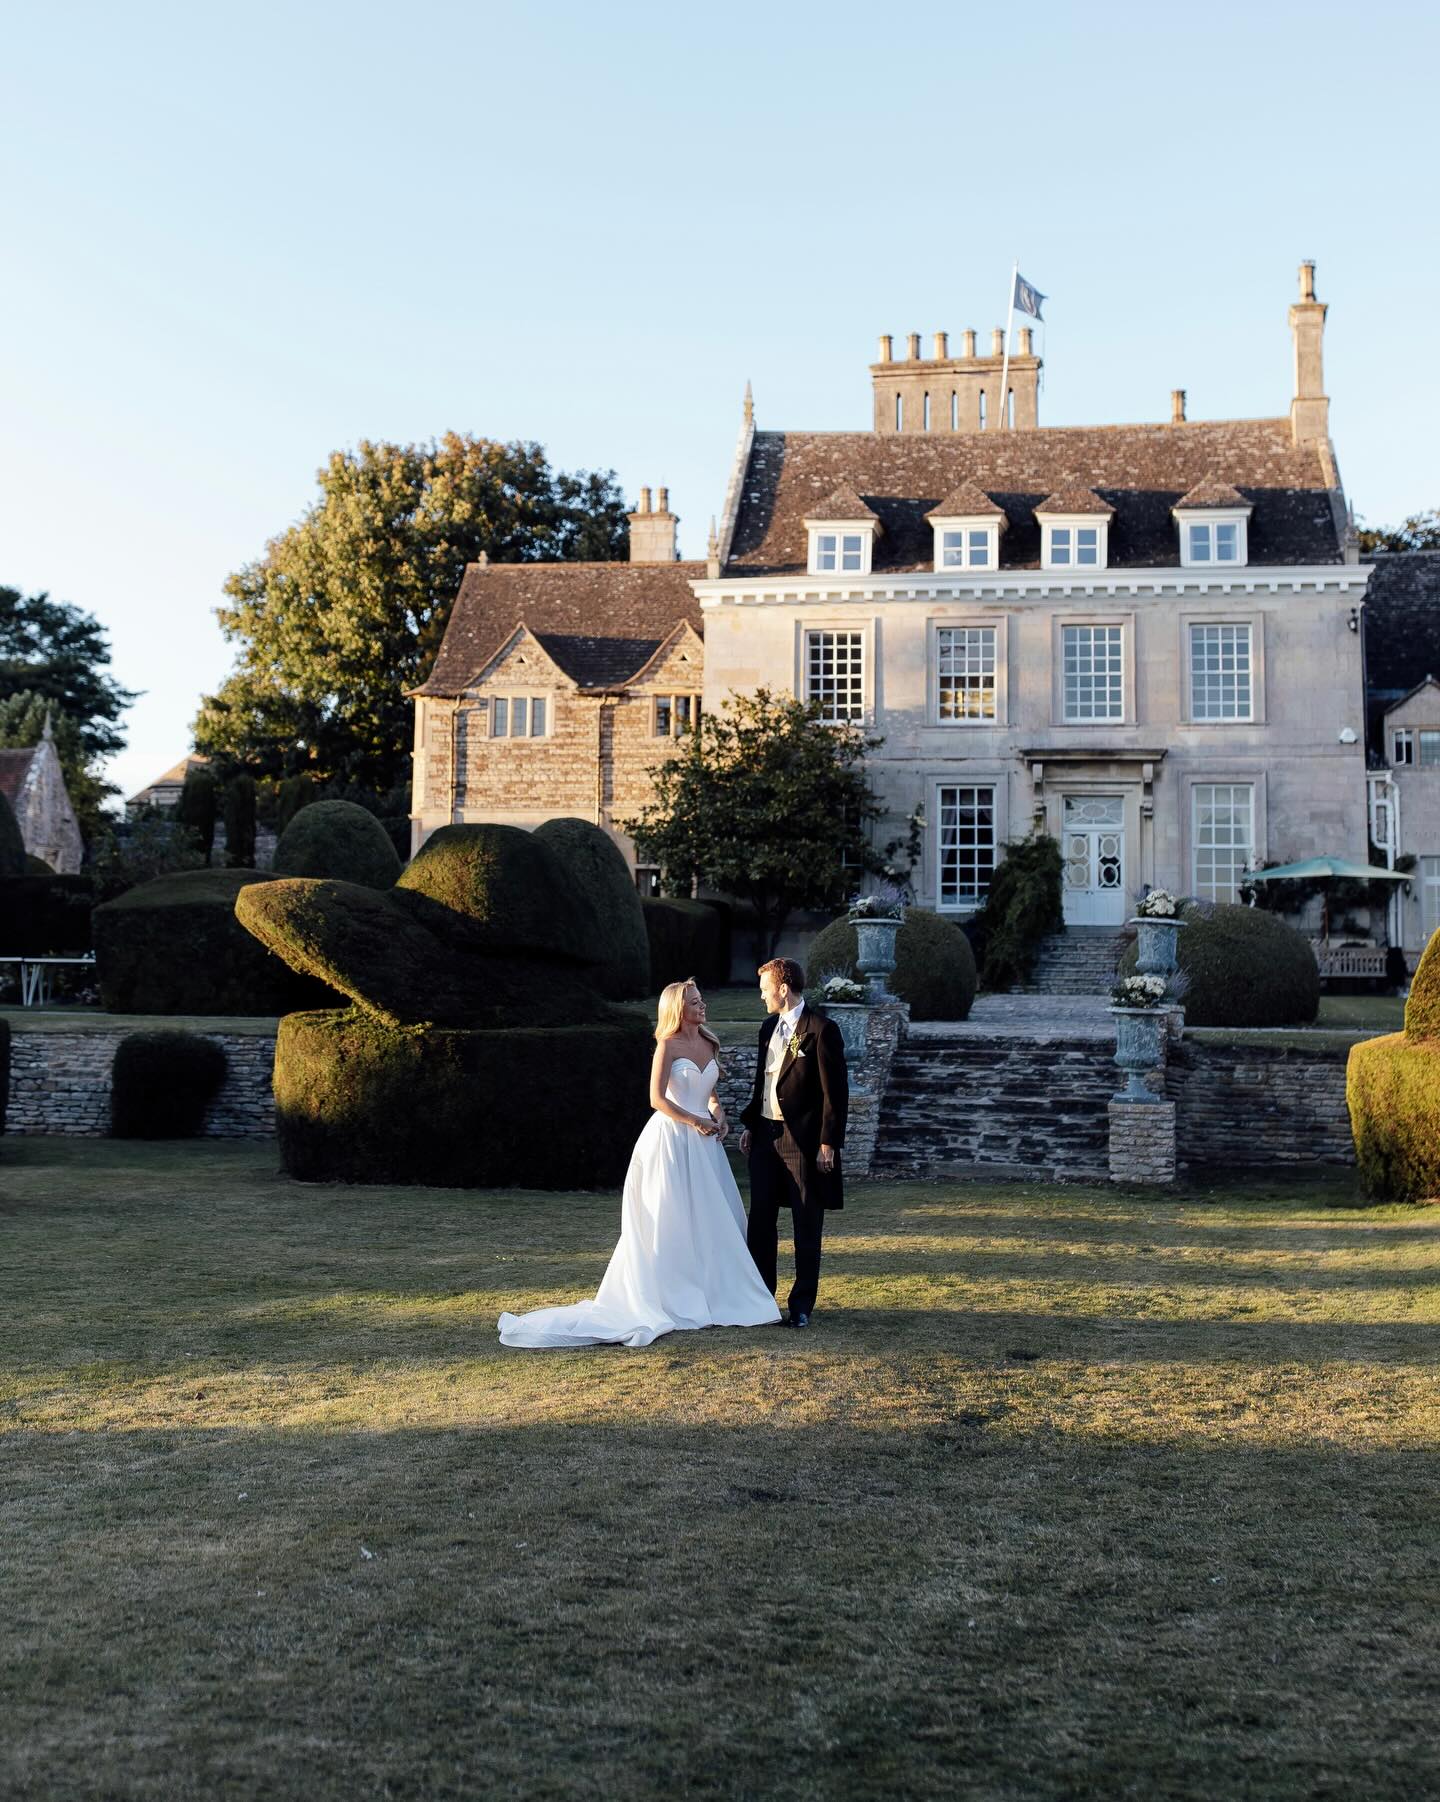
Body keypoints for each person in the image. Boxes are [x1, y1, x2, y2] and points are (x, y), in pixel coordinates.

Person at [497, 979, 781, 1349]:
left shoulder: (710, 1042)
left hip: (705, 1145)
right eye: (695, 1002)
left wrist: (718, 1115)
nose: (702, 1006)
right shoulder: (667, 1045)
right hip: (672, 1140)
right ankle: (672, 1295)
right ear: (678, 1008)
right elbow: (656, 1099)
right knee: (670, 1216)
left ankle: (719, 1294)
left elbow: (710, 1094)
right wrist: (694, 1121)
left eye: (701, 1000)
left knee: (713, 1217)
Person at [739, 958, 848, 1329]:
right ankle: (760, 1300)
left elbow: (836, 1094)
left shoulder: (821, 1029)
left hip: (801, 1141)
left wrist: (827, 1144)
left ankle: (801, 1305)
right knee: (761, 1222)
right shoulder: (767, 1027)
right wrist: (752, 1124)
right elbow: (763, 1083)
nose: (762, 996)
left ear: (782, 989)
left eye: (764, 988)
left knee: (806, 1221)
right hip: (765, 1137)